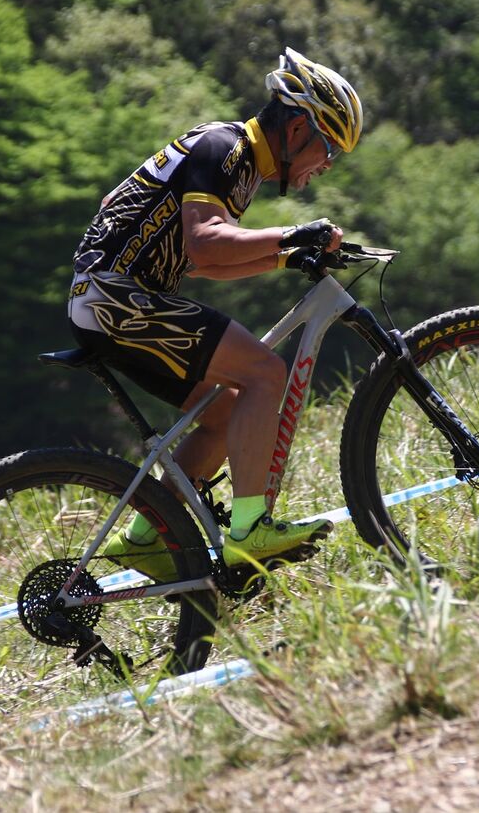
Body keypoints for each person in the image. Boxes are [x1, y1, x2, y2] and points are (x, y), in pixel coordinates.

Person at [66, 48, 363, 580]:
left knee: (224, 414)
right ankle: (249, 532)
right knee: (264, 373)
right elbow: (206, 243)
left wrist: (286, 256)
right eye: (330, 149)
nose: (327, 165)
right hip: (117, 300)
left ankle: (143, 541)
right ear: (299, 128)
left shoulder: (240, 164)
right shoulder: (226, 147)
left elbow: (203, 264)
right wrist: (292, 233)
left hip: (111, 300)